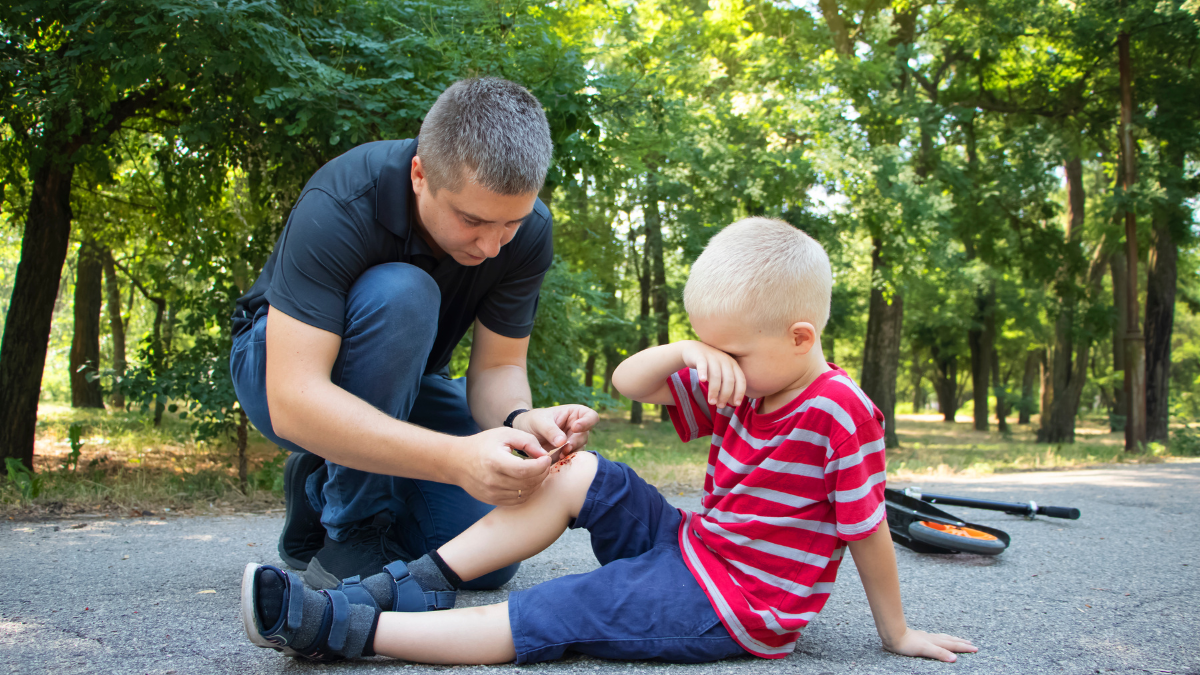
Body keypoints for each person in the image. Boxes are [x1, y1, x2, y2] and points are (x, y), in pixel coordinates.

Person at [238, 217, 979, 665]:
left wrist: (898, 631)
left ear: (801, 337)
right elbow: (632, 381)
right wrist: (691, 352)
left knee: (567, 606)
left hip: (736, 603)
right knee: (579, 470)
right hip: (694, 547)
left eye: (732, 353)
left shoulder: (839, 412)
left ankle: (348, 629)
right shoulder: (745, 379)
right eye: (710, 351)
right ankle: (412, 584)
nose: (719, 368)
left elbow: (866, 530)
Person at [229, 77, 598, 591]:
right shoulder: (342, 200)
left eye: (509, 224)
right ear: (420, 175)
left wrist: (522, 420)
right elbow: (294, 397)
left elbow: (497, 368)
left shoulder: (529, 231)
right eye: (472, 220)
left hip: (408, 383)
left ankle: (320, 488)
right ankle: (353, 527)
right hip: (277, 366)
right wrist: (454, 458)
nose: (492, 246)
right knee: (404, 294)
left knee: (486, 559)